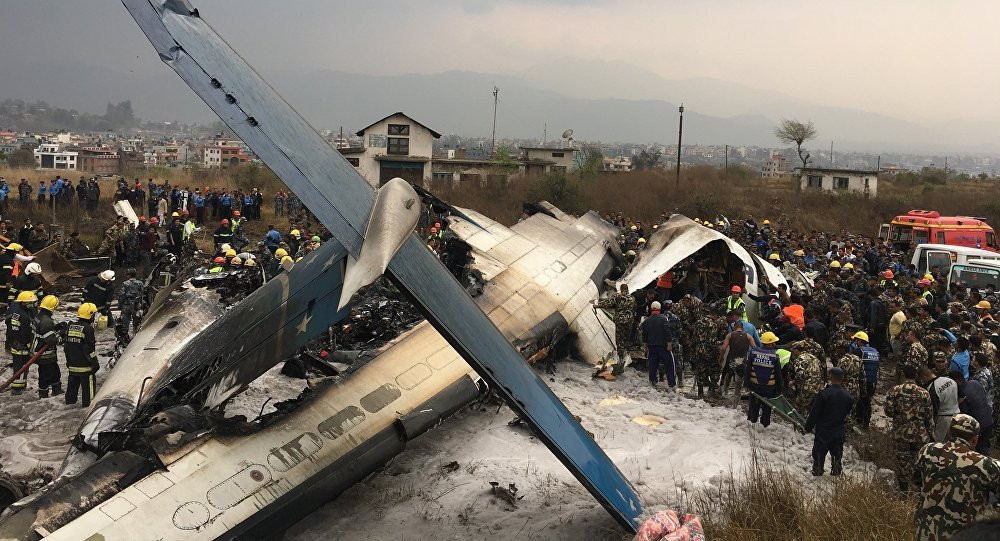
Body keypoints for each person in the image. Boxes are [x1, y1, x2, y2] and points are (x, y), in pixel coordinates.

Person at [912, 414, 1000, 541]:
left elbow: (916, 482)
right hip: (964, 536)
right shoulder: (987, 465)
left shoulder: (927, 451)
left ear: (949, 433)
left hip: (925, 533)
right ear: (975, 440)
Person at [884, 364, 935, 491]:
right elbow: (929, 417)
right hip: (920, 434)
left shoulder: (894, 390)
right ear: (916, 376)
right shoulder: (924, 393)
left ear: (903, 375)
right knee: (919, 462)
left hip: (901, 434)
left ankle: (904, 491)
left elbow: (888, 411)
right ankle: (918, 490)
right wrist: (932, 436)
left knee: (902, 463)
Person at [804, 367, 854, 476]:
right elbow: (848, 413)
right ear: (842, 378)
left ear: (831, 377)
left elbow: (814, 413)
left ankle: (818, 473)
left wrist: (808, 427)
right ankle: (836, 475)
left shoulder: (824, 394)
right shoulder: (848, 396)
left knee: (819, 455)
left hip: (823, 431)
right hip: (839, 430)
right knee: (837, 456)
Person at [744, 331, 784, 428]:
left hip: (754, 386)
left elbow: (748, 370)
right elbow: (778, 375)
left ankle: (752, 422)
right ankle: (764, 425)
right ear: (770, 343)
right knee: (767, 408)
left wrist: (746, 384)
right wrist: (780, 389)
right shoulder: (775, 356)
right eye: (774, 342)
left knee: (753, 406)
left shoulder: (753, 353)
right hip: (769, 388)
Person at [65, 303, 100, 408]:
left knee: (71, 394)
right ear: (90, 315)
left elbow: (66, 346)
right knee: (89, 401)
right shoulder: (88, 329)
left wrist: (68, 361)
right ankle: (86, 410)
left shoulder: (70, 327)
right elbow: (89, 349)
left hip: (72, 366)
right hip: (86, 368)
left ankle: (69, 407)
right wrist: (94, 363)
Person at [954, 371, 995, 455]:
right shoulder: (975, 382)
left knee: (979, 449)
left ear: (956, 382)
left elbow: (964, 414)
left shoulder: (963, 394)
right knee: (984, 445)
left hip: (978, 425)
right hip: (988, 420)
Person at [595, 284, 637, 365]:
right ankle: (626, 355)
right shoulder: (632, 298)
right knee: (626, 338)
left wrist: (597, 305)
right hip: (629, 321)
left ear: (621, 289)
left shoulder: (618, 296)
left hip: (620, 321)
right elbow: (634, 308)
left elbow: (608, 303)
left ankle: (620, 359)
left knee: (619, 340)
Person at [5, 291, 37, 395]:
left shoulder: (17, 312)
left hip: (16, 344)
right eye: (31, 302)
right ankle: (17, 389)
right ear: (24, 302)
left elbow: (11, 330)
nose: (32, 304)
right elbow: (25, 333)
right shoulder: (24, 316)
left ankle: (20, 386)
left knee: (18, 367)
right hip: (22, 347)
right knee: (22, 368)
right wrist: (28, 346)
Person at [641, 301, 675, 391]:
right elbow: (667, 332)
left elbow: (644, 335)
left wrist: (645, 346)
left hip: (652, 346)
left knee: (652, 364)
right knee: (669, 364)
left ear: (651, 309)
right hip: (663, 346)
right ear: (660, 309)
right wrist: (669, 343)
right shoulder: (663, 319)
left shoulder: (647, 320)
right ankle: (671, 383)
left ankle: (653, 381)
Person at [921, 366, 960, 442]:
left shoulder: (932, 388)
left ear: (924, 376)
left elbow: (934, 410)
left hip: (943, 419)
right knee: (955, 442)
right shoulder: (950, 380)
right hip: (957, 415)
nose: (923, 382)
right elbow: (962, 396)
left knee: (939, 443)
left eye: (922, 379)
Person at [33, 295, 62, 397]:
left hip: (40, 351)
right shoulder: (46, 321)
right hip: (45, 353)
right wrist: (60, 338)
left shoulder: (39, 316)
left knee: (53, 371)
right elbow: (51, 340)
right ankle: (44, 393)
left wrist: (56, 327)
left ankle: (54, 389)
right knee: (47, 374)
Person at [850, 330, 880, 429]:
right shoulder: (876, 351)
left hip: (862, 381)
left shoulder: (859, 351)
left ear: (859, 341)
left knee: (859, 400)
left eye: (856, 341)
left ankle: (858, 420)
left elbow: (852, 365)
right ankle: (866, 423)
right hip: (873, 381)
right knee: (867, 401)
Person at [117, 268, 144, 341]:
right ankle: (136, 338)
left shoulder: (125, 283)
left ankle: (125, 338)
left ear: (128, 275)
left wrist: (120, 305)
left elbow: (122, 295)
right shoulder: (140, 283)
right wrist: (141, 305)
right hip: (136, 306)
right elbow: (142, 295)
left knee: (125, 324)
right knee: (137, 323)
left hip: (126, 306)